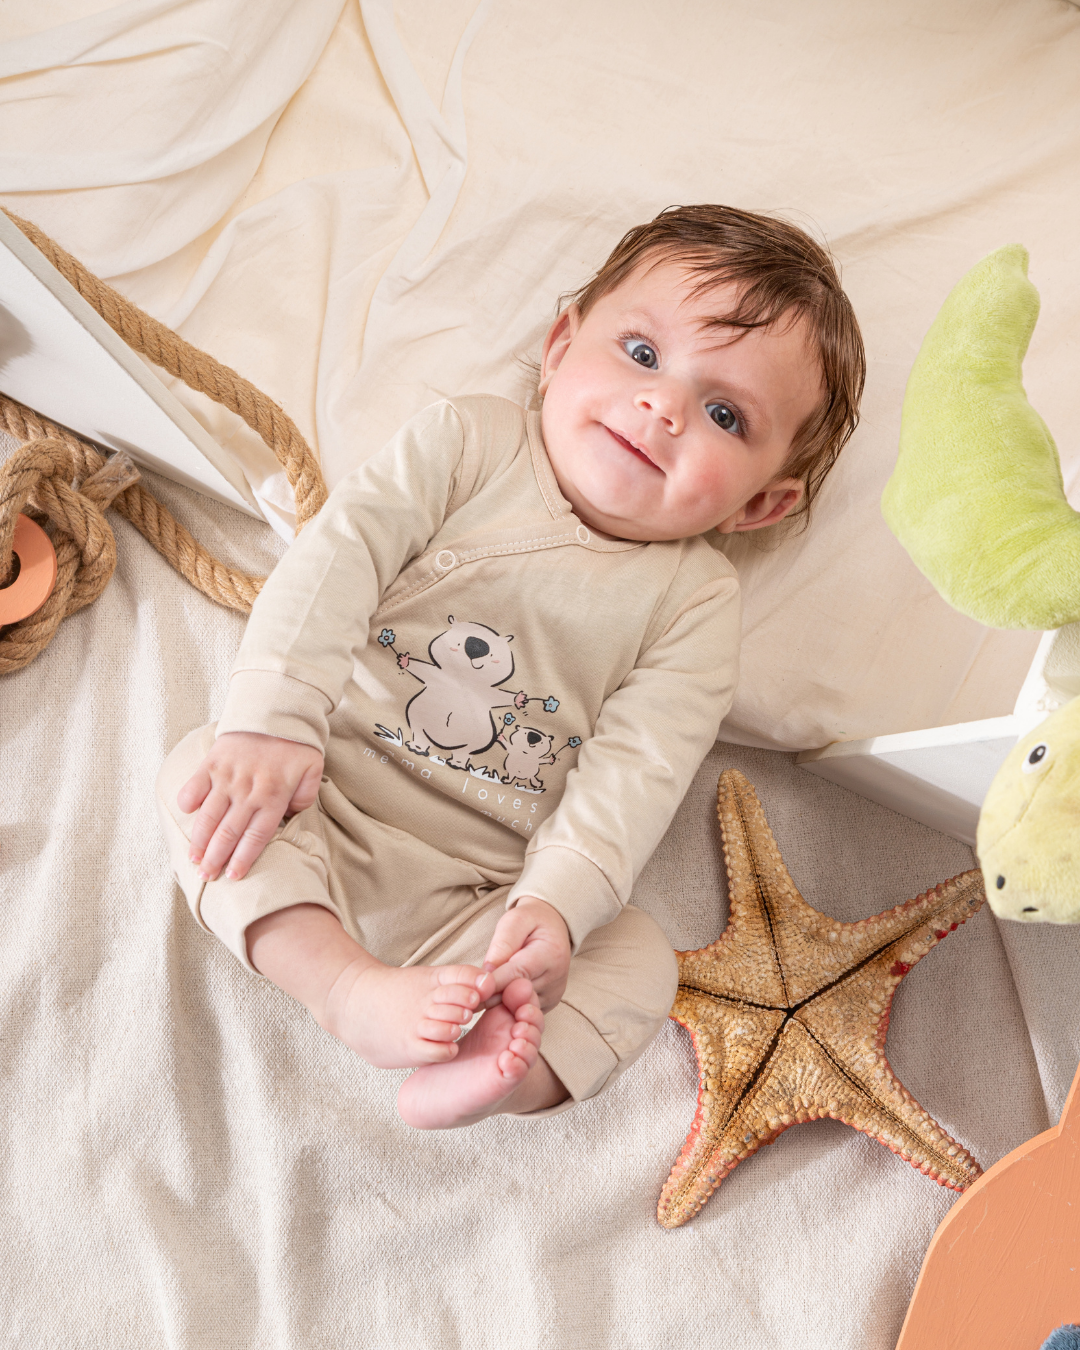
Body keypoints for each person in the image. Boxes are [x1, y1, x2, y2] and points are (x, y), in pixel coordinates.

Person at [156, 204, 865, 1130]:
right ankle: (343, 987)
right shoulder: (469, 444)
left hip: (484, 888)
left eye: (724, 414)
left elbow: (639, 771)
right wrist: (274, 725)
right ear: (561, 347)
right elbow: (339, 560)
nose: (663, 408)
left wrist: (556, 908)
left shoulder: (693, 601)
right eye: (642, 354)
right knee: (200, 772)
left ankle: (502, 1069)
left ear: (760, 504)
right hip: (315, 787)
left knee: (640, 964)